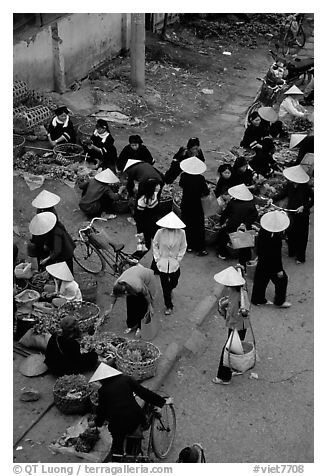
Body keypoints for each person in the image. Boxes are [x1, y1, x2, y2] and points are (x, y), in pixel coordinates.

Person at [89, 363, 171, 462]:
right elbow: (144, 393)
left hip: (117, 427)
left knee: (117, 446)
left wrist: (96, 423)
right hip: (135, 419)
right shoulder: (126, 379)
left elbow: (101, 413)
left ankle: (117, 460)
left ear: (102, 380)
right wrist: (162, 402)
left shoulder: (102, 391)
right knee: (137, 427)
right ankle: (135, 453)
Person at [212, 265, 250, 385]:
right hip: (241, 325)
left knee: (227, 350)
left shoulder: (238, 296)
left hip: (236, 326)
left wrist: (224, 310)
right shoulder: (241, 290)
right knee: (236, 348)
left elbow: (233, 314)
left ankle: (224, 377)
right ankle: (237, 367)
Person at [273, 165, 313, 264]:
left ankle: (300, 256)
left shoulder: (306, 188)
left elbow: (313, 199)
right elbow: (283, 194)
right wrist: (273, 199)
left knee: (302, 236)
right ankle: (292, 251)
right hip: (291, 212)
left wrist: (304, 207)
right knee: (290, 233)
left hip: (302, 215)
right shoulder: (289, 185)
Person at [251, 210, 291, 308]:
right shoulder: (276, 237)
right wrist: (279, 269)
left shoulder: (263, 230)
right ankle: (279, 301)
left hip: (262, 259)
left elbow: (258, 246)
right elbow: (276, 255)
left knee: (260, 279)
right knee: (282, 280)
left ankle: (257, 299)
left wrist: (259, 256)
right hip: (272, 263)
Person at [152, 211, 187, 315]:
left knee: (175, 280)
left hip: (174, 263)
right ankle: (168, 305)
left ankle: (170, 289)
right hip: (162, 263)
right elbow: (155, 245)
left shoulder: (181, 233)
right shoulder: (160, 232)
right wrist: (157, 259)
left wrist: (178, 259)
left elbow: (183, 246)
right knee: (164, 286)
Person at [108, 263, 157, 337]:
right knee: (131, 306)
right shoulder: (117, 285)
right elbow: (114, 295)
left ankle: (140, 327)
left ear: (126, 292)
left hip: (147, 278)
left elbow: (146, 294)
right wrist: (110, 308)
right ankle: (131, 325)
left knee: (142, 306)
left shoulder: (137, 286)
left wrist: (150, 306)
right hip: (133, 276)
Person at [216, 184, 258, 267]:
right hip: (244, 227)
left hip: (233, 225)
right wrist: (246, 224)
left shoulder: (233, 203)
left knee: (223, 236)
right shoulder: (251, 204)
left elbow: (225, 214)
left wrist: (221, 223)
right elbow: (254, 215)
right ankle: (245, 261)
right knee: (245, 245)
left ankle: (222, 253)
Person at [179, 156, 209, 256]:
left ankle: (189, 246)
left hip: (186, 204)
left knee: (187, 225)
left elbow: (181, 185)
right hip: (197, 205)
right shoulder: (201, 178)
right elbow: (205, 191)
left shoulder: (184, 176)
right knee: (198, 226)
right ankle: (200, 248)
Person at [28, 190, 61, 268]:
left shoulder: (52, 214)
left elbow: (51, 228)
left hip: (46, 236)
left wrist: (46, 243)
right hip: (41, 234)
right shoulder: (39, 210)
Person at [134, 178, 161, 253]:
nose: (159, 186)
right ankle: (133, 259)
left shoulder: (154, 194)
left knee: (159, 244)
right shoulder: (142, 201)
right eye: (157, 185)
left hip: (154, 223)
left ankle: (156, 263)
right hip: (146, 225)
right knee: (145, 246)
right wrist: (140, 231)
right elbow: (138, 216)